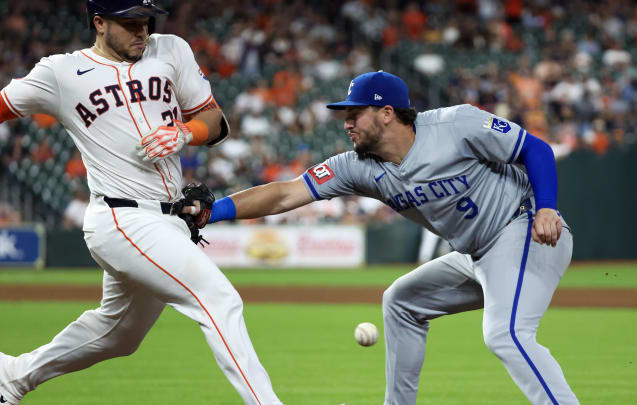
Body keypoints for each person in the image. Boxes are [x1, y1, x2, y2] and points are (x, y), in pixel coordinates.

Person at [195, 71, 579, 404]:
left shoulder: (456, 124)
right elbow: (285, 193)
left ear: (386, 113)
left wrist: (546, 206)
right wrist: (214, 210)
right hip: (476, 254)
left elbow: (535, 148)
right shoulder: (356, 166)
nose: (347, 123)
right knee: (401, 301)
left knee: (506, 334)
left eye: (354, 113)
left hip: (525, 228)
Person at [0, 1, 282, 404]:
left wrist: (186, 131)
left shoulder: (170, 49)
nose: (142, 31)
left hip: (170, 219)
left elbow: (215, 119)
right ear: (99, 23)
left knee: (119, 335)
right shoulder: (59, 72)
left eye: (146, 21)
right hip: (120, 217)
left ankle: (12, 377)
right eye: (130, 23)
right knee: (218, 298)